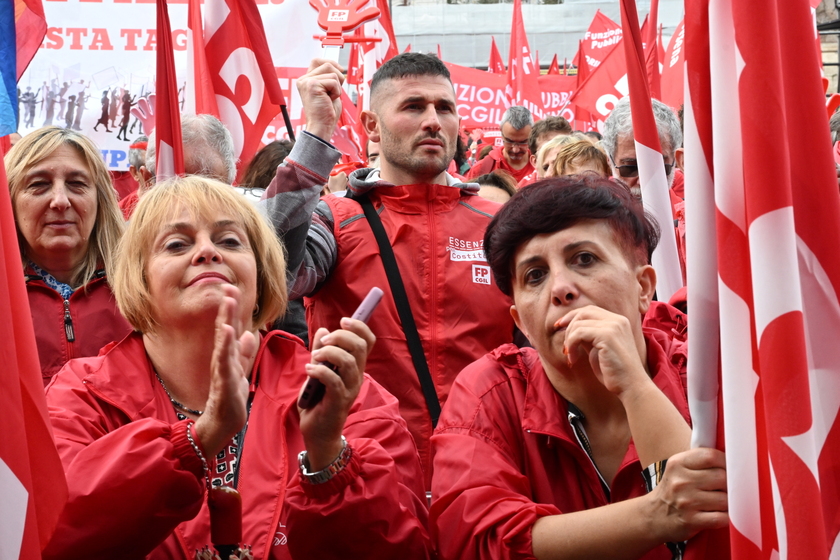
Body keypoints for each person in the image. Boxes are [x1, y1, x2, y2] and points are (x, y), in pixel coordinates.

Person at [43, 176, 432, 559]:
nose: (207, 253)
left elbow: (406, 547)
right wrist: (201, 437)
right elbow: (51, 534)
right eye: (177, 244)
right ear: (138, 277)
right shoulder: (83, 394)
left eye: (229, 241)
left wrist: (328, 455)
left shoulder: (344, 393)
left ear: (261, 275)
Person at [430, 175, 728, 559]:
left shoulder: (711, 377)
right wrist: (655, 515)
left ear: (644, 287)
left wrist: (635, 387)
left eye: (584, 259)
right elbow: (475, 542)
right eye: (535, 275)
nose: (561, 288)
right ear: (520, 322)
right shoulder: (488, 393)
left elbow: (717, 530)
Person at [261, 54, 515, 488]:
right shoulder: (336, 219)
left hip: (489, 476)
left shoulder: (502, 225)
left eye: (445, 108)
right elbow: (272, 273)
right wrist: (317, 134)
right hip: (368, 475)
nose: (434, 121)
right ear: (372, 126)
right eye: (414, 107)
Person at [5, 126, 131, 385]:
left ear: (100, 199)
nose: (60, 201)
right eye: (39, 185)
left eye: (77, 184)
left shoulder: (142, 288)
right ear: (9, 201)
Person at [602, 97, 681, 196]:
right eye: (631, 168)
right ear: (610, 159)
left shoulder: (693, 211)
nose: (643, 182)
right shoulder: (589, 210)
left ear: (675, 160)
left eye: (658, 167)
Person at [466, 106, 535, 183]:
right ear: (501, 131)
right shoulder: (481, 169)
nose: (516, 150)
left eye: (523, 142)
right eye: (509, 141)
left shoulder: (542, 167)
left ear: (532, 134)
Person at [517, 115, 573, 186]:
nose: (555, 154)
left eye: (564, 144)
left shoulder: (584, 179)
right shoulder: (522, 192)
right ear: (535, 161)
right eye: (547, 149)